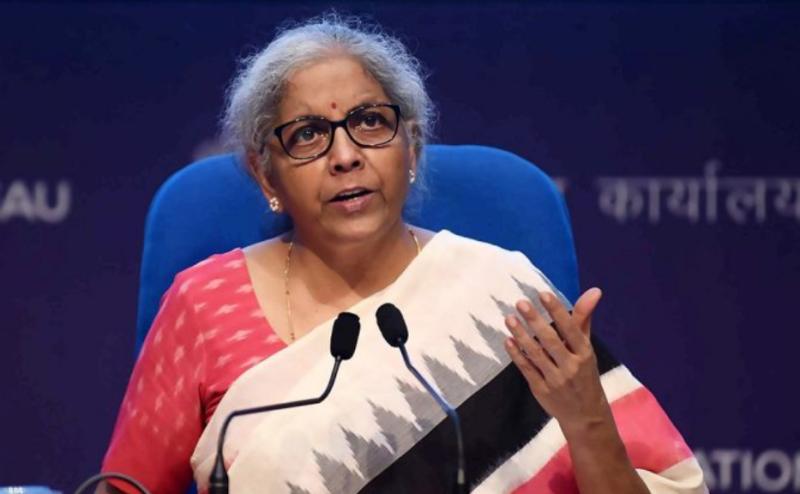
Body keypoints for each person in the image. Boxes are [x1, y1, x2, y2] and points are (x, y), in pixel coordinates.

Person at [101, 13, 707, 494]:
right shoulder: (203, 307)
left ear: (410, 147)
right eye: (308, 134)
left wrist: (586, 419)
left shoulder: (501, 296)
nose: (345, 156)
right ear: (266, 175)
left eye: (369, 122)